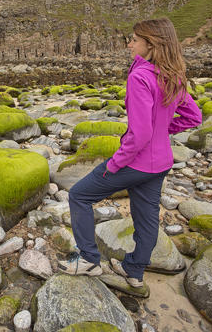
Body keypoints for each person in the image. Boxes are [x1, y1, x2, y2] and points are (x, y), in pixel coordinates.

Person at [58, 18, 202, 288]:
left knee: (79, 195)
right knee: (146, 218)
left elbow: (140, 134)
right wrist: (164, 130)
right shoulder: (172, 74)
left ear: (151, 44)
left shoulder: (140, 78)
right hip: (161, 162)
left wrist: (115, 163)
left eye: (134, 39)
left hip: (135, 162)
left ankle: (89, 259)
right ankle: (134, 272)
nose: (129, 43)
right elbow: (194, 116)